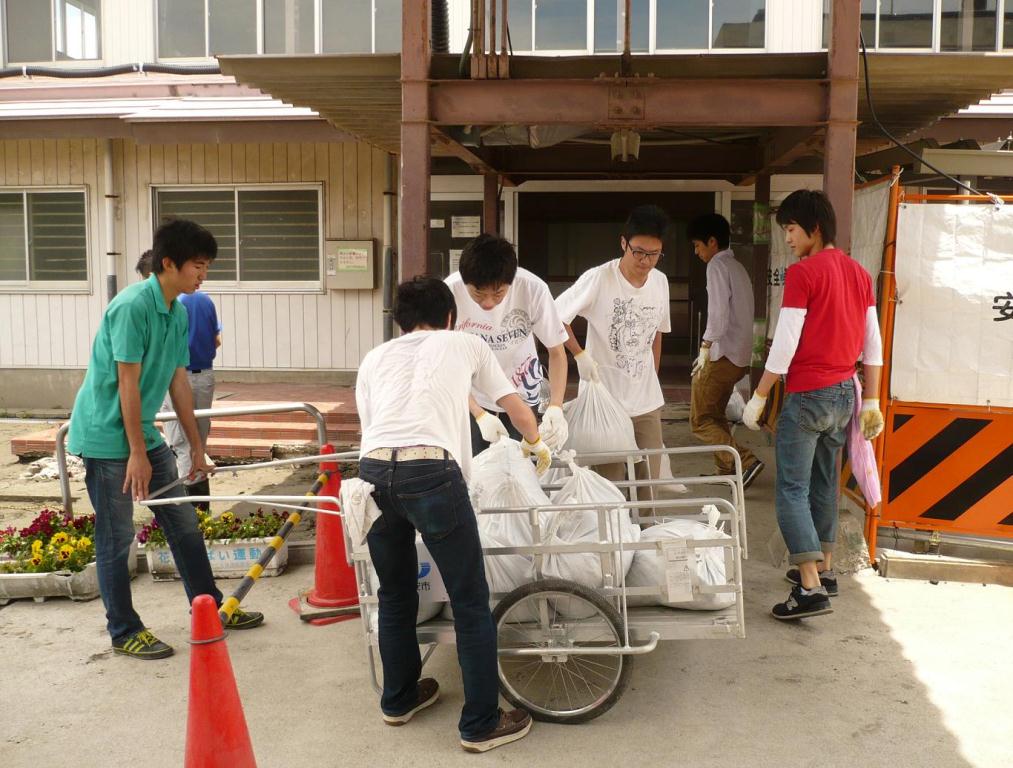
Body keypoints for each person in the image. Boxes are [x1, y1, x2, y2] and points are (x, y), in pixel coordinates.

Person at [356, 277, 548, 752]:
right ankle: (481, 723)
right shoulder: (466, 343)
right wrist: (537, 443)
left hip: (373, 475)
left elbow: (373, 426)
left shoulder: (375, 357)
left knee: (394, 593)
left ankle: (398, 699)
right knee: (469, 599)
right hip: (431, 473)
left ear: (400, 321)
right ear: (449, 317)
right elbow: (516, 408)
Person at [67, 220, 263, 660]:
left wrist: (196, 447)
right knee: (117, 536)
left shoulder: (178, 311)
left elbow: (178, 384)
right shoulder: (131, 306)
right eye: (198, 265)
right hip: (105, 437)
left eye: (207, 266)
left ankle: (209, 607)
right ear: (169, 263)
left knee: (184, 522)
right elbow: (127, 384)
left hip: (143, 433)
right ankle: (124, 630)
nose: (203, 275)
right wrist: (136, 452)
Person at [741, 190, 884, 620]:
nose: (787, 238)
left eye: (790, 229)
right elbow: (873, 344)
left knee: (792, 489)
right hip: (845, 394)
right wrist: (871, 399)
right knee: (825, 484)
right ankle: (825, 568)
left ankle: (808, 587)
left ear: (814, 229)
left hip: (808, 395)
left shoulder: (803, 273)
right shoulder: (860, 274)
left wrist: (760, 395)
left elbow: (785, 344)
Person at [555, 204, 672, 492]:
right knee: (610, 485)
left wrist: (652, 376)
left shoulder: (660, 282)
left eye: (654, 254)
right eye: (639, 252)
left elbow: (657, 334)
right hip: (604, 400)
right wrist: (579, 354)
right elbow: (555, 317)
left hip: (646, 402)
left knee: (649, 484)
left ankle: (646, 521)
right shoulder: (599, 278)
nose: (645, 261)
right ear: (623, 243)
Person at [445, 233, 570, 453]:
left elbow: (557, 352)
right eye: (478, 294)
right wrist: (478, 413)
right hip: (471, 395)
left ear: (511, 281)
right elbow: (446, 362)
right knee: (473, 468)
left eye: (498, 294)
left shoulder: (533, 289)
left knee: (522, 464)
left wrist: (556, 406)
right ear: (465, 281)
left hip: (522, 392)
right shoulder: (449, 291)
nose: (488, 303)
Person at [139, 251, 222, 509]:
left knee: (181, 441)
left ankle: (193, 507)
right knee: (197, 439)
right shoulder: (205, 301)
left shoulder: (173, 306)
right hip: (204, 376)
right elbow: (217, 340)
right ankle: (200, 504)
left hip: (178, 377)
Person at [687, 213, 765, 488]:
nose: (697, 252)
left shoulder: (717, 265)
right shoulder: (737, 266)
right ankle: (727, 470)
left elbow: (718, 314)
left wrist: (705, 345)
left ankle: (746, 461)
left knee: (700, 420)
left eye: (697, 245)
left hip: (722, 354)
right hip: (739, 356)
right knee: (715, 416)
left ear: (712, 241)